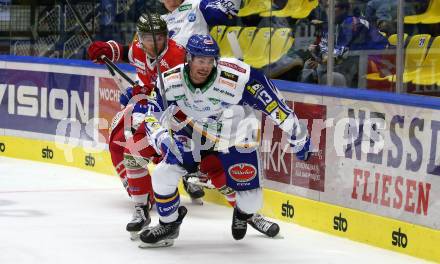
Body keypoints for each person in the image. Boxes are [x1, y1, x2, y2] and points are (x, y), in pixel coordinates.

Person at [138, 34, 311, 247]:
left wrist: (298, 137)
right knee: (164, 174)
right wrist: (162, 139)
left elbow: (276, 107)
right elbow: (152, 116)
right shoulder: (169, 81)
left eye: (210, 61)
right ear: (189, 58)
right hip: (195, 133)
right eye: (200, 60)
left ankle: (242, 213)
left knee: (252, 202)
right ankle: (169, 224)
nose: (205, 66)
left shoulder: (240, 78)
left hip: (236, 136)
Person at [87, 13, 191, 239]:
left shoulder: (177, 57)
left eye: (159, 38)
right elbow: (126, 53)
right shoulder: (139, 48)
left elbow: (182, 96)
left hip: (175, 117)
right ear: (140, 38)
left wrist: (146, 93)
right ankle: (141, 201)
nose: (154, 44)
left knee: (135, 149)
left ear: (166, 36)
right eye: (148, 39)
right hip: (150, 110)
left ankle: (169, 188)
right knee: (116, 139)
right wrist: (106, 49)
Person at [300, 0, 388, 87]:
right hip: (356, 59)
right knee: (310, 66)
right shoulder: (335, 24)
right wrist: (319, 58)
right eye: (327, 6)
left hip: (378, 62)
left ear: (344, 9)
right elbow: (328, 49)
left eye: (332, 7)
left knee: (331, 74)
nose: (328, 10)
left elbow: (339, 53)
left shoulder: (352, 23)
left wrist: (318, 52)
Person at [160, 0, 241, 46]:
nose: (171, 1)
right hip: (169, 66)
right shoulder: (161, 20)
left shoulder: (197, 4)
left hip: (200, 60)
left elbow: (225, 13)